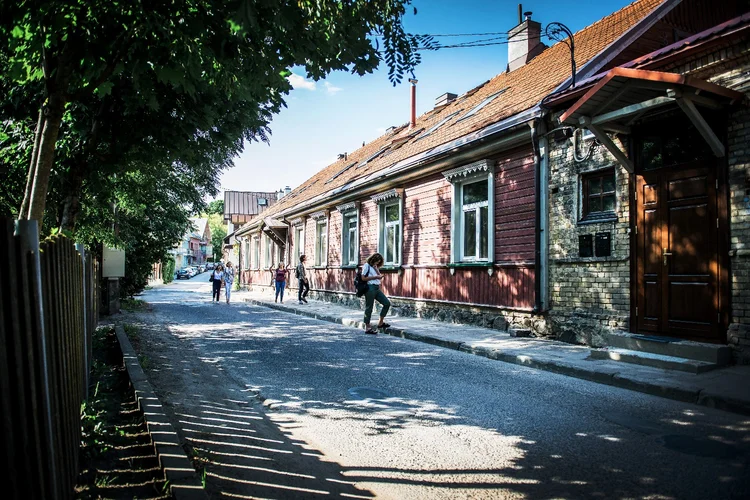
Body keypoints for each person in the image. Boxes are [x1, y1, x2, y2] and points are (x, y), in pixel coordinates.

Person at [361, 253, 391, 335]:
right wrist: (375, 277)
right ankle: (367, 327)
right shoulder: (366, 265)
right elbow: (363, 278)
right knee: (369, 307)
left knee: (387, 303)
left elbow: (379, 276)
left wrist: (376, 269)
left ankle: (380, 323)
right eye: (377, 262)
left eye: (379, 262)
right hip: (369, 288)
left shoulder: (374, 266)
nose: (377, 263)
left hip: (377, 288)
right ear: (373, 259)